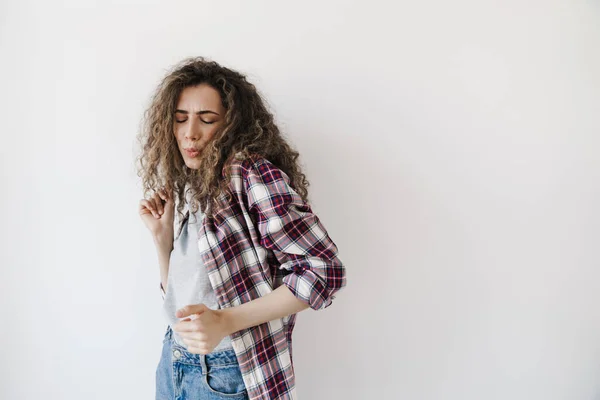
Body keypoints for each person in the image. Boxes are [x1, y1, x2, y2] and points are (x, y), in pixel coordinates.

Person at [136, 56, 347, 400]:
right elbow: (188, 296)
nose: (190, 133)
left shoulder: (250, 176)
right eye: (180, 119)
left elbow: (323, 272)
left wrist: (226, 321)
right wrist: (163, 242)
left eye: (207, 119)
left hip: (225, 371)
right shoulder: (193, 181)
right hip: (174, 358)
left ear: (232, 124)